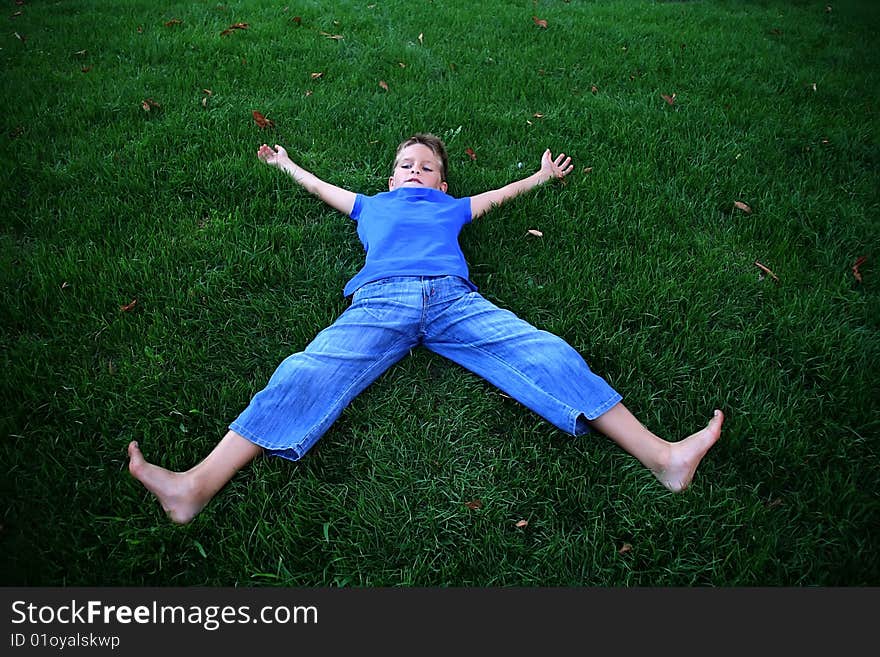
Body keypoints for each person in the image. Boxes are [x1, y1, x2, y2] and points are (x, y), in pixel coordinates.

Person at [128, 133, 723, 524]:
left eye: (427, 167)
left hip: (453, 303)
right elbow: (320, 189)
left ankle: (663, 458)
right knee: (304, 370)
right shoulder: (371, 205)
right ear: (390, 180)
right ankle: (196, 485)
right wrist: (286, 165)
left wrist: (540, 178)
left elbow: (498, 195)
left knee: (547, 351)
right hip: (378, 306)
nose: (414, 171)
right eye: (404, 165)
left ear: (442, 184)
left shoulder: (451, 206)